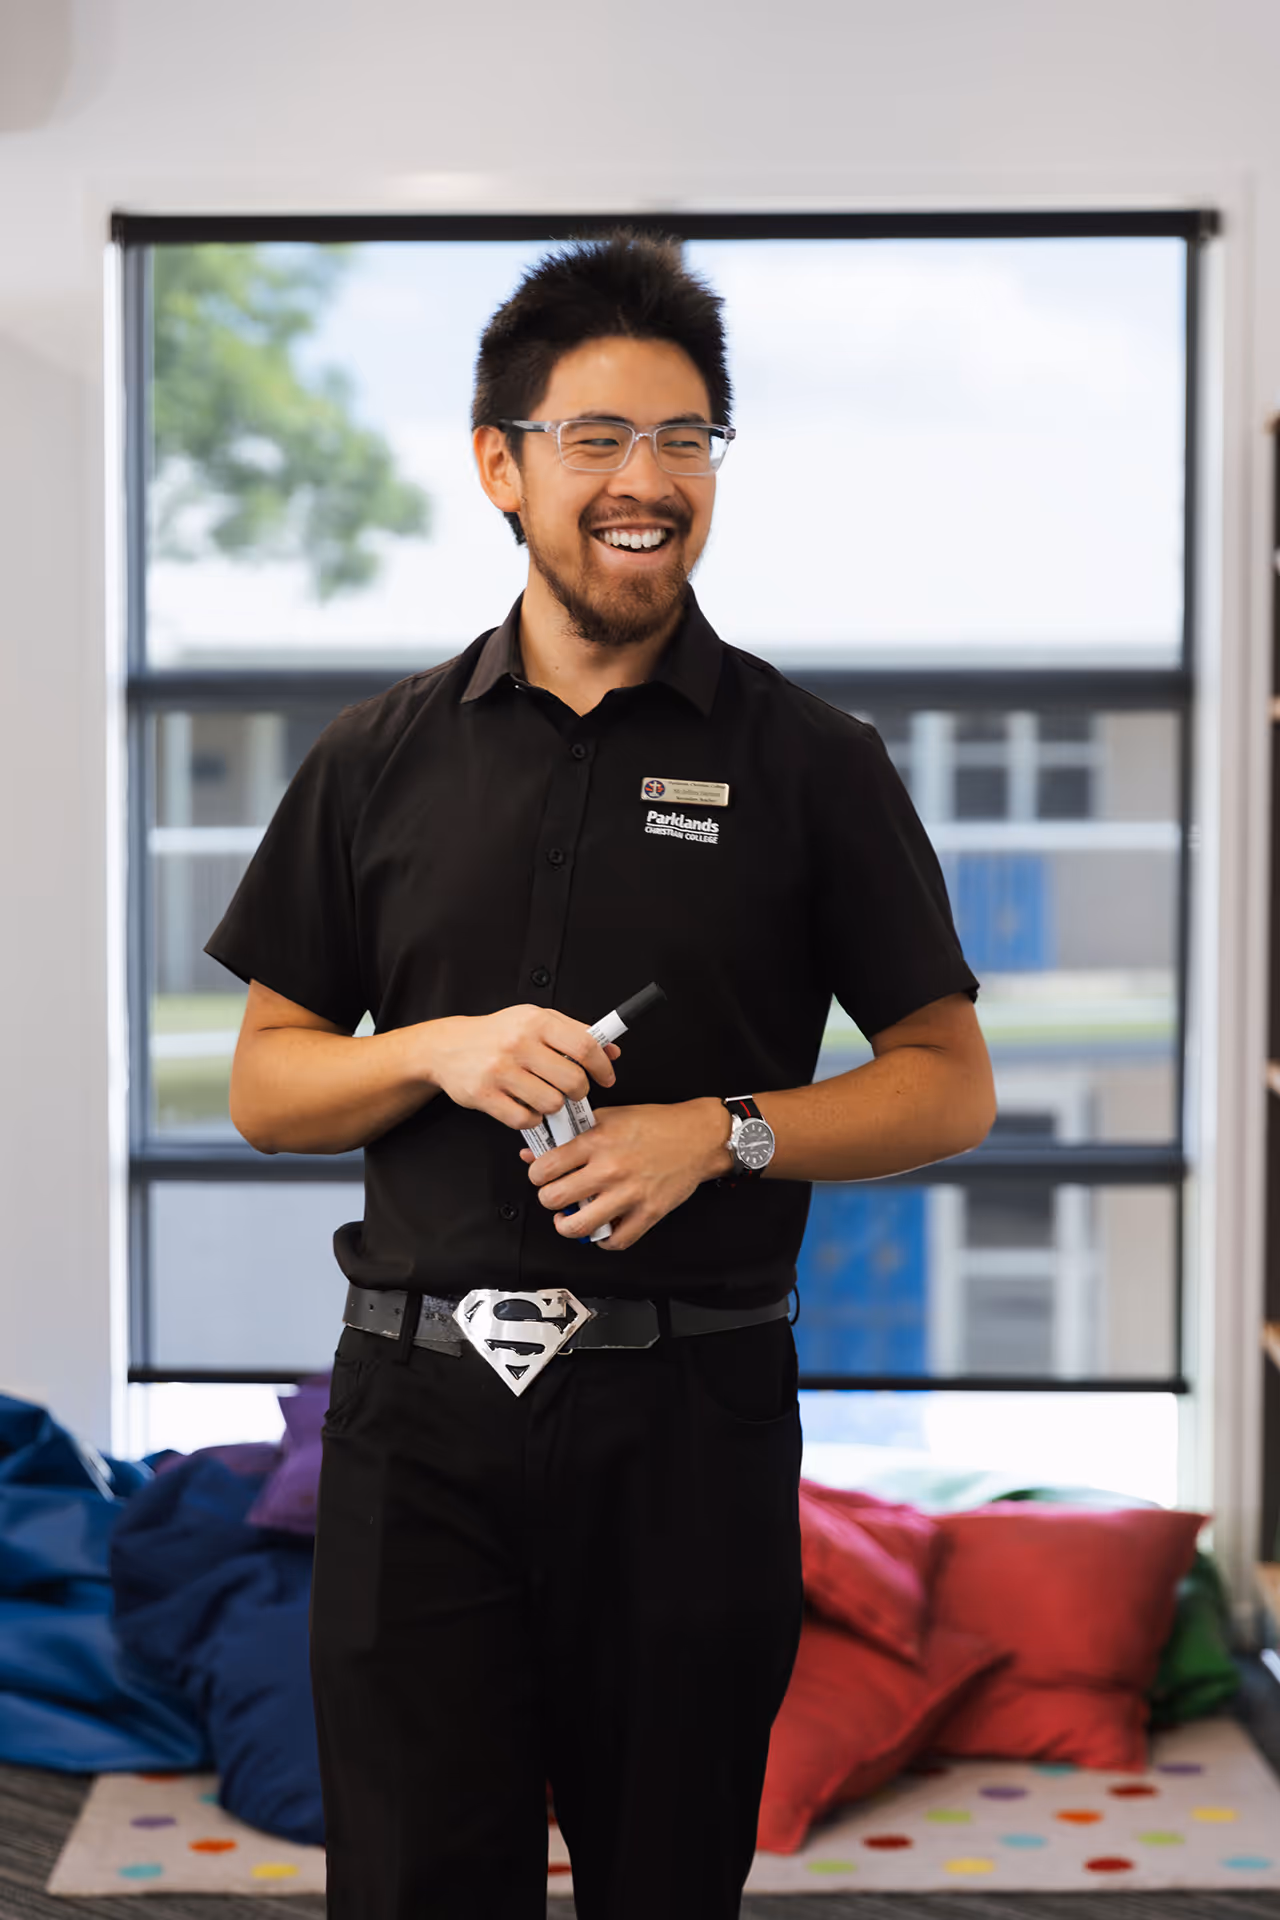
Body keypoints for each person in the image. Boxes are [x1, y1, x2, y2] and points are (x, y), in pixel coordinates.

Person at [205, 229, 995, 1920]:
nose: (647, 483)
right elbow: (268, 1086)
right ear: (502, 465)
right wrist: (433, 1047)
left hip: (690, 1427)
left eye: (686, 440)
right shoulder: (373, 760)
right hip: (416, 1430)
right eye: (598, 440)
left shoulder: (816, 769)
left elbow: (947, 1084)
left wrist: (722, 1134)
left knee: (665, 1891)